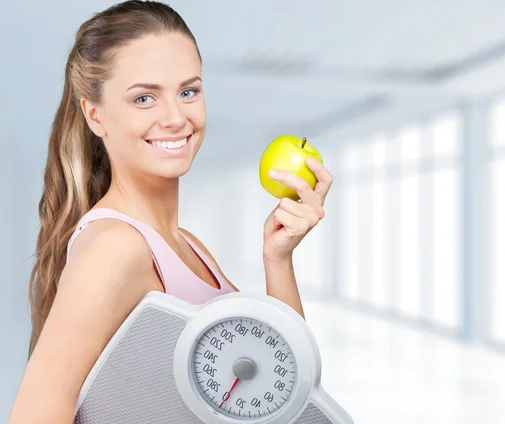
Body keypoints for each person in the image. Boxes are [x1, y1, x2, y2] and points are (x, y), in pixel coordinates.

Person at [8, 1, 333, 422]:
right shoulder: (116, 249)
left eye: (188, 91)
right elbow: (34, 414)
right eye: (144, 98)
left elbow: (280, 381)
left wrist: (279, 257)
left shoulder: (186, 246)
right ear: (96, 115)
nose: (176, 118)